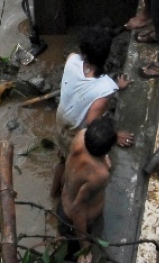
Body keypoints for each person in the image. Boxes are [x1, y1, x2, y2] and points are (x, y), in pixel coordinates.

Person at [49, 27, 133, 200]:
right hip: (74, 132)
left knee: (61, 159)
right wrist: (114, 136)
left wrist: (115, 85)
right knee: (73, 167)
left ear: (84, 53)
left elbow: (86, 81)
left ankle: (53, 194)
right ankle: (67, 199)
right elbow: (92, 122)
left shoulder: (72, 60)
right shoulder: (106, 88)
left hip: (60, 120)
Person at [58, 117, 117, 263]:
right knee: (71, 262)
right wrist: (85, 248)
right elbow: (78, 210)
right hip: (73, 221)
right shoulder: (100, 175)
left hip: (64, 199)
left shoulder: (80, 137)